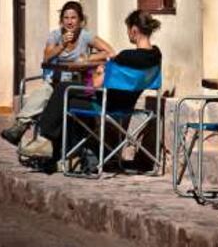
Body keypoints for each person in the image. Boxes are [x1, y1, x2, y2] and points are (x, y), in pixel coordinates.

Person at [21, 9, 162, 162]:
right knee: (68, 96)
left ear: (134, 30)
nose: (128, 34)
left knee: (63, 90)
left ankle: (48, 142)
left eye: (128, 30)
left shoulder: (125, 57)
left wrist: (95, 71)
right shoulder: (155, 55)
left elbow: (95, 84)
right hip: (126, 107)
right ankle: (70, 153)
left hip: (104, 106)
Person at [0, 0, 115, 147]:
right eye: (66, 18)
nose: (69, 22)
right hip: (55, 81)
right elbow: (47, 57)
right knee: (43, 92)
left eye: (73, 18)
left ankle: (38, 137)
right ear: (61, 21)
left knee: (50, 94)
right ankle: (20, 127)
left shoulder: (85, 36)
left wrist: (87, 57)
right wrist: (62, 46)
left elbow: (111, 52)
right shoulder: (55, 35)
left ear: (80, 21)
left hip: (76, 83)